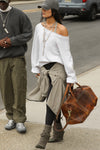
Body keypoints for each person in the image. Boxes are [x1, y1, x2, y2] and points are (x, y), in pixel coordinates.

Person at [30, 0, 77, 148]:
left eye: (46, 9)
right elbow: (35, 49)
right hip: (45, 70)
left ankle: (44, 136)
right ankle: (58, 131)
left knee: (51, 103)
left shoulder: (62, 29)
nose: (42, 11)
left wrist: (70, 77)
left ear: (54, 11)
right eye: (41, 9)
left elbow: (66, 55)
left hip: (58, 71)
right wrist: (36, 68)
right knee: (53, 101)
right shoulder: (39, 27)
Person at [0, 0, 32, 133]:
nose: (1, 3)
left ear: (9, 0)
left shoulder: (20, 15)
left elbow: (28, 33)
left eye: (4, 1)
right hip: (2, 59)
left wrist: (11, 41)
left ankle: (20, 119)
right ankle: (10, 117)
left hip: (17, 58)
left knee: (19, 88)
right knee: (5, 89)